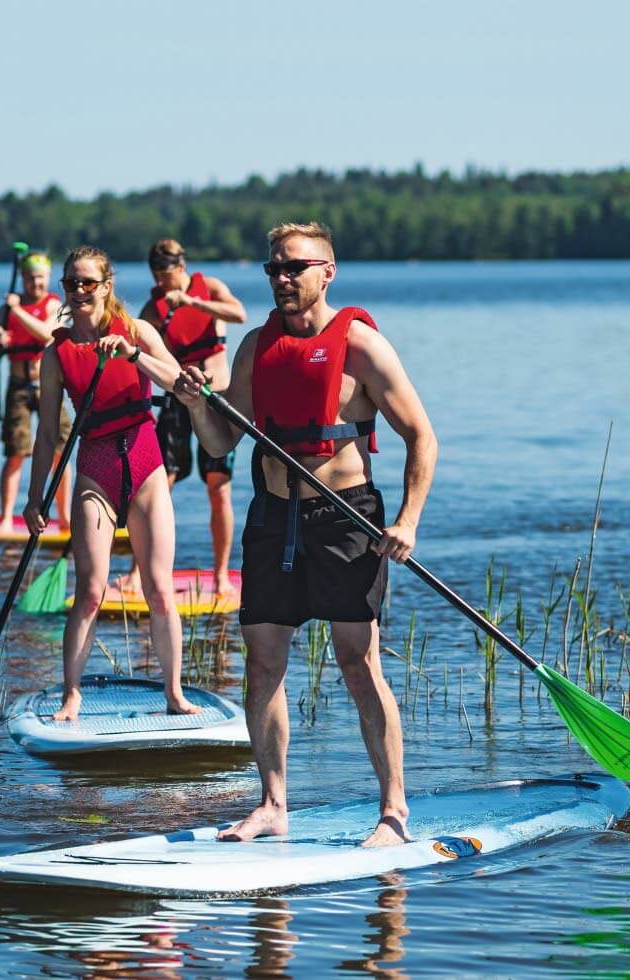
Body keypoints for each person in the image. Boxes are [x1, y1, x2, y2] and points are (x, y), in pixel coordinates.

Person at [175, 222, 437, 847]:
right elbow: (221, 439)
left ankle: (393, 812)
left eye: (294, 267)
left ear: (328, 271)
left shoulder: (363, 347)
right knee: (263, 664)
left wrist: (407, 520)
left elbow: (422, 437)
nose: (282, 279)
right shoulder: (254, 347)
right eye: (273, 269)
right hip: (271, 518)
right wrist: (193, 407)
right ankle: (272, 805)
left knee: (357, 661)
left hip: (347, 519)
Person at [24, 245, 199, 720]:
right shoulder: (56, 354)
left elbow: (179, 383)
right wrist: (34, 497)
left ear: (105, 286)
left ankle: (174, 693)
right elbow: (45, 436)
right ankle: (72, 695)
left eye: (87, 283)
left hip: (145, 463)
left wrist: (134, 353)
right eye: (71, 284)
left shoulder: (137, 330)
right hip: (95, 468)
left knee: (160, 589)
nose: (78, 291)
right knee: (92, 589)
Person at [120, 239, 246, 598]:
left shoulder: (211, 288)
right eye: (157, 275)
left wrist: (192, 302)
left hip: (217, 395)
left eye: (168, 274)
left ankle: (221, 574)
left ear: (182, 266)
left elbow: (239, 314)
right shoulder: (153, 307)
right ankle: (136, 571)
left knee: (217, 486)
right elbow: (136, 347)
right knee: (159, 484)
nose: (163, 282)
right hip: (178, 398)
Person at [0, 251, 73, 533]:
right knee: (16, 453)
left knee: (60, 452)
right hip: (18, 388)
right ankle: (4, 520)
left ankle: (65, 519)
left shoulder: (55, 306)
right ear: (23, 278)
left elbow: (47, 334)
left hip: (49, 386)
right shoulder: (5, 310)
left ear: (47, 278)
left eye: (40, 278)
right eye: (30, 278)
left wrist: (18, 311)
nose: (35, 283)